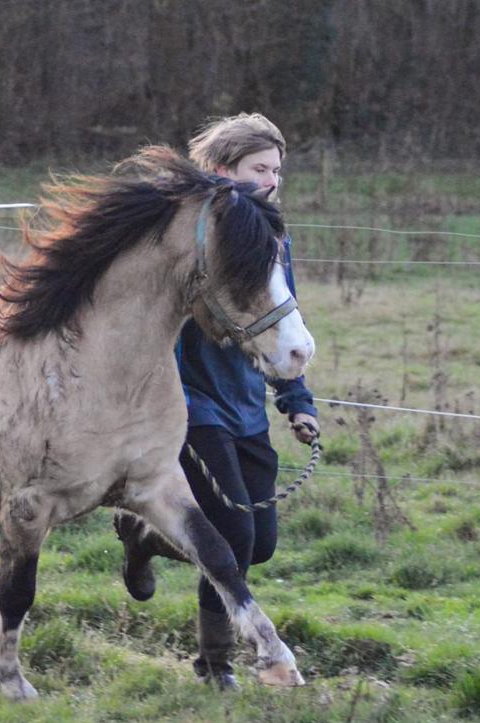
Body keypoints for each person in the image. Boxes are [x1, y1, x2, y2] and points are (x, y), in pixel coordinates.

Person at [115, 113, 318, 690]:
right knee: (234, 537)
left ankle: (147, 536)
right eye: (260, 169)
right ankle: (216, 665)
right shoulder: (182, 235)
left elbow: (282, 321)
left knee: (263, 544)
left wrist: (296, 398)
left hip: (246, 403)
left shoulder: (273, 234)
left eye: (277, 170)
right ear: (223, 171)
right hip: (192, 405)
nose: (272, 181)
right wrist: (168, 402)